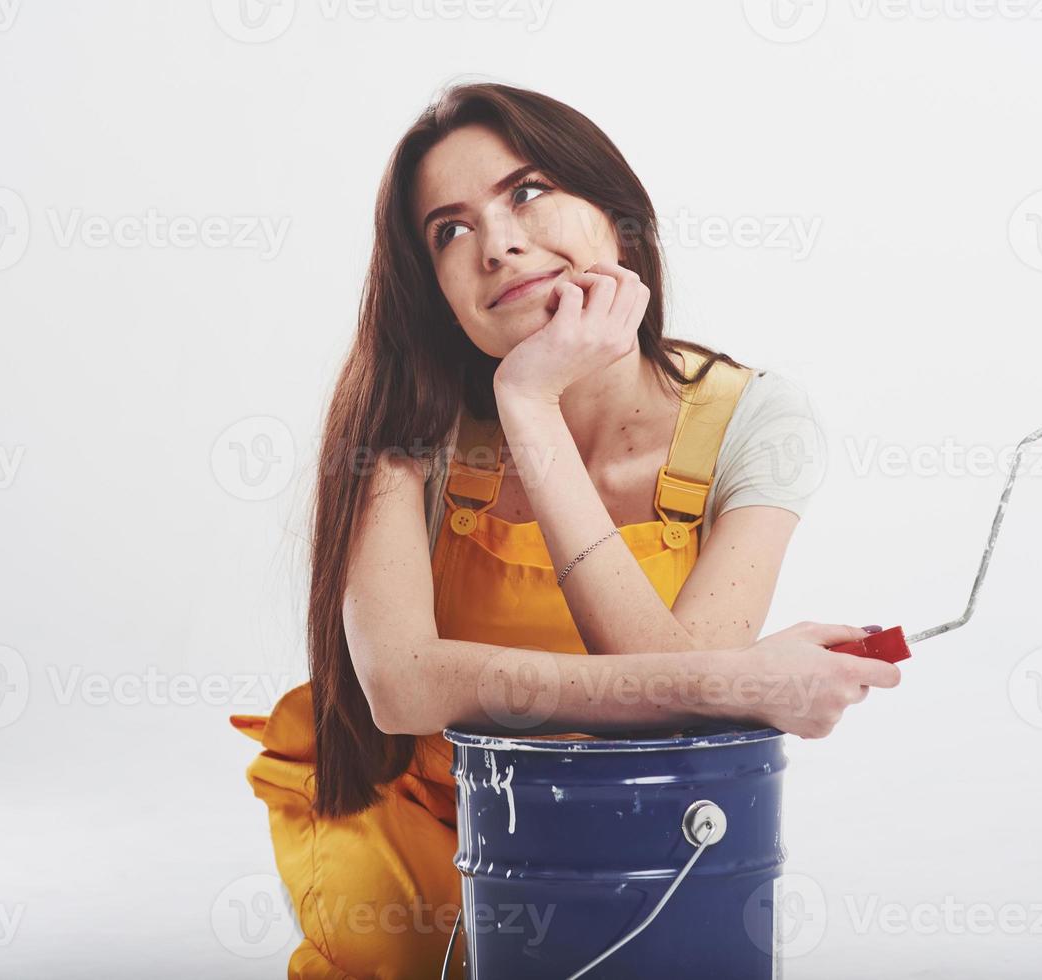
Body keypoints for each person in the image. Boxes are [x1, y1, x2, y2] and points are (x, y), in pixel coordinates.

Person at [230, 80, 901, 979]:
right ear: (434, 286)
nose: (499, 244)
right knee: (441, 953)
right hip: (420, 808)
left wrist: (534, 415)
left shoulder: (754, 419)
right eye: (450, 230)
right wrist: (738, 679)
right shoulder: (401, 420)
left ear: (619, 220)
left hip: (629, 815)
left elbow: (674, 716)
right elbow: (403, 687)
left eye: (530, 190)